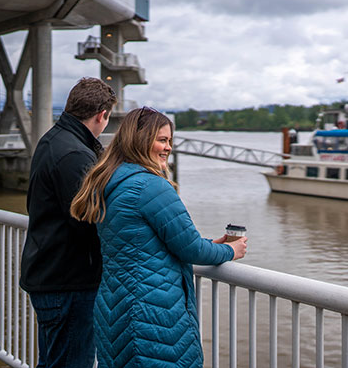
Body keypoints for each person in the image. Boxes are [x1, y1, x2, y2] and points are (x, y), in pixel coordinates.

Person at [70, 106, 247, 368]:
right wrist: (231, 251)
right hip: (152, 316)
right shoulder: (151, 185)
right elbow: (191, 250)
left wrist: (211, 244)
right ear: (140, 141)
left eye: (170, 141)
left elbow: (143, 244)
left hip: (115, 308)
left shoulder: (110, 181)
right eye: (162, 140)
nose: (168, 148)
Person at [19, 77, 117, 368]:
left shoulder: (54, 139)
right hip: (69, 282)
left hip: (51, 274)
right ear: (102, 115)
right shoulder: (75, 154)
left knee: (52, 362)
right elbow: (88, 221)